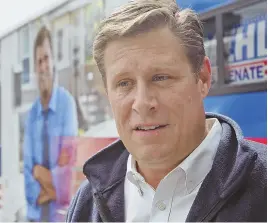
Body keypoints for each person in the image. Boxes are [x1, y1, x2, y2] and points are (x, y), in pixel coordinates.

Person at [66, 0, 267, 222]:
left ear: (202, 78)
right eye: (124, 83)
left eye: (161, 77)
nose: (142, 103)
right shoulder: (85, 204)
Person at [23, 26, 78, 222]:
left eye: (46, 58)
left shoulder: (67, 104)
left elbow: (67, 178)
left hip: (61, 217)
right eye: (39, 61)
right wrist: (48, 184)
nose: (43, 66)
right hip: (34, 217)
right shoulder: (31, 115)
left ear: (53, 61)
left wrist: (41, 174)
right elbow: (29, 183)